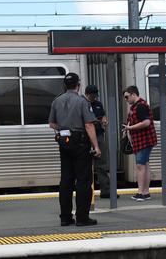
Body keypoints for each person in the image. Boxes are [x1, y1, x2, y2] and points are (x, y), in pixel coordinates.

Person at [49, 72, 101, 226]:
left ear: (65, 85)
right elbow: (89, 125)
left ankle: (65, 218)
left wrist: (65, 130)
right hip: (80, 143)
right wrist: (96, 146)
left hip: (64, 143)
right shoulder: (82, 102)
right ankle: (82, 218)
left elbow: (52, 124)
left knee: (66, 180)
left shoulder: (56, 101)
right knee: (83, 181)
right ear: (78, 85)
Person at [122, 85, 158, 202]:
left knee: (140, 166)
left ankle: (141, 192)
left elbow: (146, 122)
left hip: (144, 140)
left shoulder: (140, 106)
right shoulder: (138, 105)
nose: (126, 100)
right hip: (144, 140)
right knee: (145, 165)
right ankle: (145, 192)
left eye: (127, 97)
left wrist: (130, 128)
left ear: (133, 94)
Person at [84, 85, 114, 199]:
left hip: (99, 134)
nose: (94, 97)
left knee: (101, 163)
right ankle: (85, 192)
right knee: (85, 165)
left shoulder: (98, 104)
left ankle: (106, 190)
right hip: (86, 136)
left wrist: (104, 120)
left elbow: (102, 116)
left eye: (95, 95)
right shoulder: (82, 104)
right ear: (87, 94)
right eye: (92, 95)